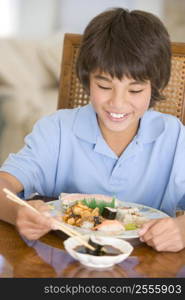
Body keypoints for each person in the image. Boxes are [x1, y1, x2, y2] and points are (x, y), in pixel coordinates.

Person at [0, 7, 185, 252]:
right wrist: (18, 213)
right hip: (60, 265)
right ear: (87, 80)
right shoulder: (56, 130)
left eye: (135, 90)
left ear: (155, 86)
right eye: (104, 85)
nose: (118, 103)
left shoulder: (174, 137)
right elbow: (4, 186)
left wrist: (182, 229)